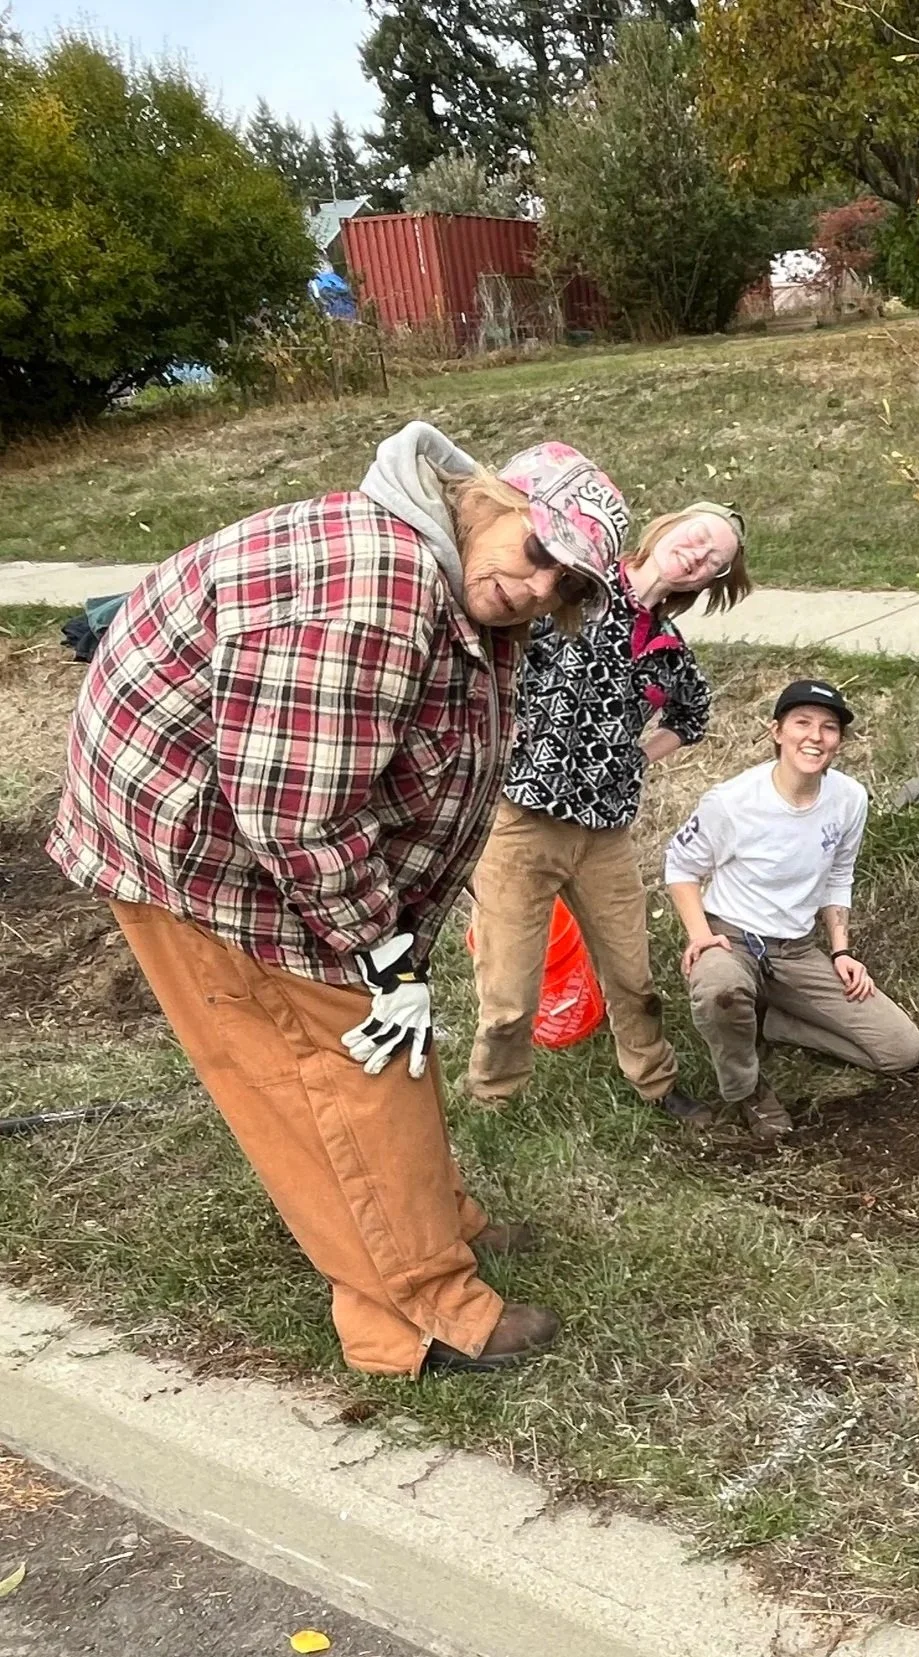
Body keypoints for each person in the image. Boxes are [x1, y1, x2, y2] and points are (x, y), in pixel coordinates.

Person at [47, 421, 626, 1377]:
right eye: (538, 552)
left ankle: (434, 1220)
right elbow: (294, 813)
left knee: (389, 1041)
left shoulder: (445, 577)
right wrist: (379, 949)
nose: (537, 588)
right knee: (335, 1063)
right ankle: (416, 1312)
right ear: (491, 497)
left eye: (564, 586)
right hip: (214, 860)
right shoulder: (377, 585)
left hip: (283, 850)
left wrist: (394, 946)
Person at [466, 502, 750, 1120]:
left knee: (633, 979)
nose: (699, 554)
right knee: (509, 993)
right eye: (697, 537)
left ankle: (656, 1082)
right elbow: (488, 644)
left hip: (606, 836)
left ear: (710, 580)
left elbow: (692, 716)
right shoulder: (575, 589)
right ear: (666, 528)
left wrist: (635, 755)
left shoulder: (670, 651)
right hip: (521, 822)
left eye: (715, 560)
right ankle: (494, 1098)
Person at [664, 679, 919, 1142]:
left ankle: (772, 1021)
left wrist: (841, 951)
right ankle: (747, 1089)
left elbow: (839, 873)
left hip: (795, 950)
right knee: (720, 990)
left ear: (839, 740)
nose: (815, 737)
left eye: (829, 727)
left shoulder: (849, 798)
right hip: (731, 937)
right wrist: (700, 936)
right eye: (802, 722)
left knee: (900, 1050)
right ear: (777, 732)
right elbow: (680, 866)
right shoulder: (732, 801)